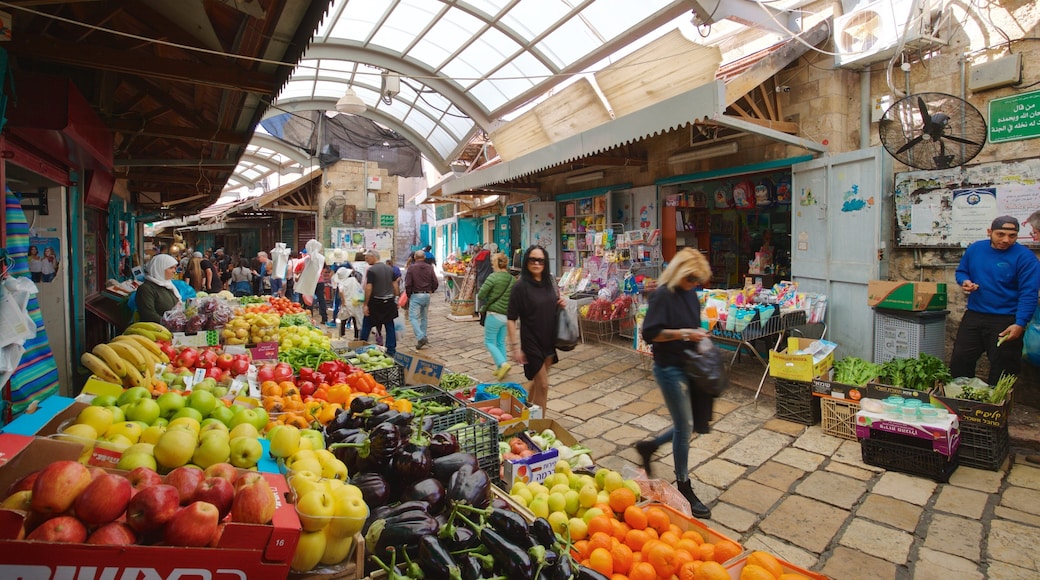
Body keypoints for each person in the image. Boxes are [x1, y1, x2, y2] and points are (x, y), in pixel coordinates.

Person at [633, 247, 714, 519]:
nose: (694, 284)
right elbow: (651, 333)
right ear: (680, 272)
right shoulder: (662, 296)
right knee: (685, 425)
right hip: (668, 368)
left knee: (692, 424)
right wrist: (685, 334)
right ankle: (684, 485)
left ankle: (650, 446)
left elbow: (692, 324)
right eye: (691, 279)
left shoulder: (690, 294)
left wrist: (699, 334)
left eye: (697, 281)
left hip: (689, 365)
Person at [950, 216, 1040, 386]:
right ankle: (960, 402)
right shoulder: (976, 249)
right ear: (989, 232)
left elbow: (1029, 294)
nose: (1006, 240)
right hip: (975, 315)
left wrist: (1020, 323)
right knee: (960, 360)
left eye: (1012, 235)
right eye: (1001, 234)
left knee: (1004, 367)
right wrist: (965, 281)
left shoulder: (1025, 258)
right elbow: (962, 271)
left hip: (1006, 319)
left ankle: (996, 409)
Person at [507, 245, 565, 411]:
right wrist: (515, 347)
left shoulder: (549, 282)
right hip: (531, 341)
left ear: (545, 262)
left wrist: (559, 304)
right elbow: (511, 319)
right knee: (544, 385)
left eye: (540, 260)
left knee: (537, 382)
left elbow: (551, 304)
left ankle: (523, 411)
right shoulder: (520, 287)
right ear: (526, 262)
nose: (536, 263)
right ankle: (539, 428)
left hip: (549, 339)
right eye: (532, 259)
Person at [478, 252, 516, 380]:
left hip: (494, 314)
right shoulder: (511, 279)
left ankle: (503, 364)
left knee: (489, 342)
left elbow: (481, 294)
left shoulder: (493, 277)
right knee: (500, 342)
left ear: (496, 263)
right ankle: (501, 369)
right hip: (506, 316)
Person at [360, 250, 400, 356]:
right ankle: (391, 349)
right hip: (389, 301)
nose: (366, 260)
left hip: (375, 302)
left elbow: (369, 287)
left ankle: (361, 345)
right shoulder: (390, 269)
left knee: (367, 324)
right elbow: (395, 285)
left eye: (367, 258)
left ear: (373, 257)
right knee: (389, 325)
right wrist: (396, 298)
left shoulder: (372, 270)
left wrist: (365, 304)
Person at [405, 249, 439, 349]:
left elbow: (408, 284)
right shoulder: (429, 267)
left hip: (416, 295)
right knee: (424, 317)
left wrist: (408, 295)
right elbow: (435, 281)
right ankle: (424, 336)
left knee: (413, 317)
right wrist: (432, 290)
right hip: (426, 295)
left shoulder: (412, 268)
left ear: (415, 257)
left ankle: (420, 336)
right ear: (424, 257)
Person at [136, 254, 181, 324]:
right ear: (159, 268)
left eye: (175, 268)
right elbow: (148, 314)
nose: (174, 271)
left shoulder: (169, 285)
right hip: (157, 331)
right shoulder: (146, 289)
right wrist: (168, 323)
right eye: (171, 268)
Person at [336, 267, 363, 339]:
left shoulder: (341, 282)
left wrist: (343, 301)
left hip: (347, 303)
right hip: (355, 302)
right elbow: (359, 288)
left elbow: (341, 292)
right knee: (355, 318)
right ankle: (356, 336)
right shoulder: (353, 280)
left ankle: (342, 334)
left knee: (343, 319)